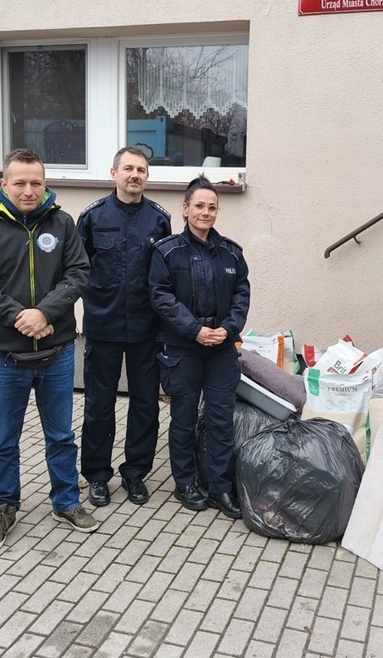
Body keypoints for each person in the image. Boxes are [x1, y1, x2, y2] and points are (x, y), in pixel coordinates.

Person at [0, 148, 95, 553]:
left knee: (62, 436)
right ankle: (2, 506)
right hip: (5, 357)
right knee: (4, 439)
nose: (29, 190)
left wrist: (47, 313)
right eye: (20, 182)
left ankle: (66, 503)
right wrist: (22, 316)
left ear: (45, 183)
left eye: (36, 182)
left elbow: (78, 273)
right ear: (4, 184)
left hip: (57, 353)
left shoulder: (63, 223)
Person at [149, 175, 250, 519]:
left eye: (212, 207)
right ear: (185, 209)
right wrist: (195, 331)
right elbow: (160, 297)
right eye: (199, 206)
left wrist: (227, 329)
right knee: (184, 417)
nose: (205, 213)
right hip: (183, 348)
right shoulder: (167, 251)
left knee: (221, 419)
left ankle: (221, 487)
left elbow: (241, 295)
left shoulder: (231, 253)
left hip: (221, 348)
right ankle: (185, 483)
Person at [77, 146, 172, 508]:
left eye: (141, 170)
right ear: (113, 172)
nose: (135, 175)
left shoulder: (159, 220)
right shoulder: (92, 217)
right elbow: (77, 270)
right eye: (128, 168)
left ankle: (135, 473)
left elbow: (164, 275)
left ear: (147, 177)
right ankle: (98, 476)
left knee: (146, 404)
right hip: (103, 327)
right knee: (99, 406)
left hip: (147, 330)